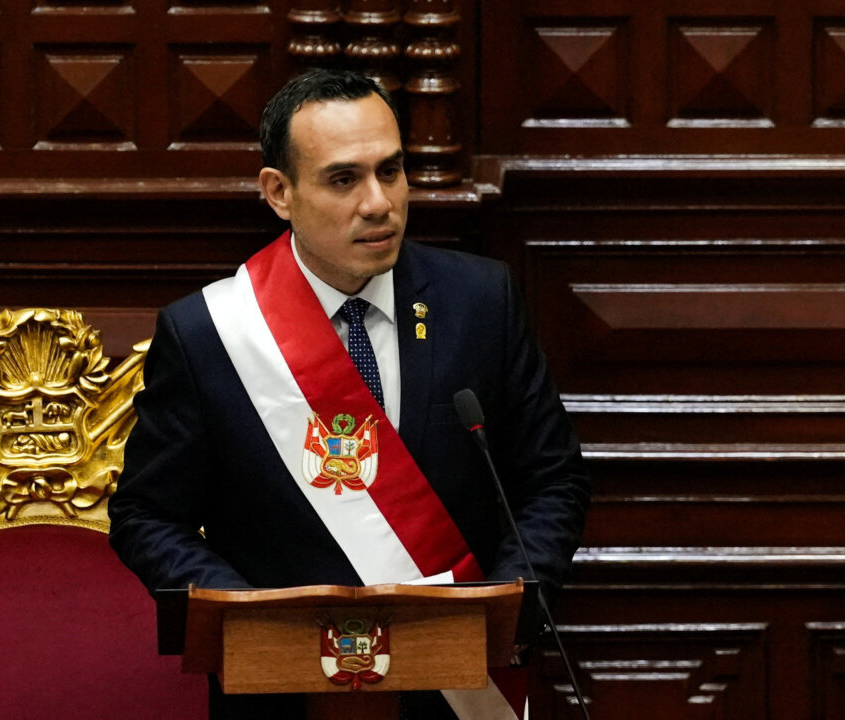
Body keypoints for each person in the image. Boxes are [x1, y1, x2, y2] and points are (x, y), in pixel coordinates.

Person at [109, 69, 590, 720]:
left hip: (457, 691)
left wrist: (502, 608)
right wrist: (246, 619)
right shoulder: (208, 335)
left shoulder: (480, 302)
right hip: (280, 698)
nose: (378, 203)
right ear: (279, 192)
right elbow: (147, 516)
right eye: (344, 179)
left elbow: (552, 480)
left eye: (390, 171)